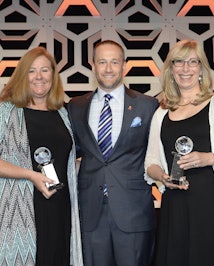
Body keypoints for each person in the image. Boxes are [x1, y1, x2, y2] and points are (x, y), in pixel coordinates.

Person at [144, 39, 214, 266]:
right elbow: (151, 162)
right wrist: (164, 177)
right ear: (171, 70)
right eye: (179, 62)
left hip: (213, 204)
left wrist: (209, 158)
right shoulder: (161, 113)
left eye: (192, 62)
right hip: (175, 206)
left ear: (201, 69)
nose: (185, 68)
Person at [0, 47, 83, 266]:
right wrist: (31, 175)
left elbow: (69, 159)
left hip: (60, 206)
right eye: (32, 71)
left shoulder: (63, 113)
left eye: (45, 70)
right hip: (19, 208)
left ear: (53, 76)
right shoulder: (6, 111)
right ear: (23, 75)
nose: (39, 76)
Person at [67, 40, 159, 266]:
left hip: (133, 211)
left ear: (124, 66)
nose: (108, 69)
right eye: (102, 62)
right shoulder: (75, 106)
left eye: (114, 62)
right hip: (91, 212)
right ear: (93, 66)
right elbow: (70, 151)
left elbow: (158, 152)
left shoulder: (148, 105)